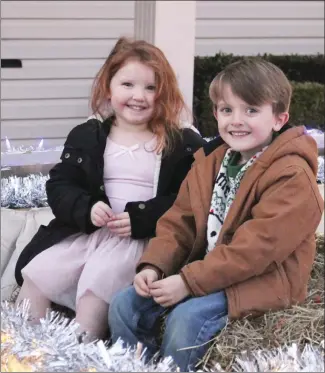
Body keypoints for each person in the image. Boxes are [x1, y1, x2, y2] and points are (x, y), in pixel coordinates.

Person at [108, 58, 324, 371]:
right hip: (209, 271)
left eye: (251, 110)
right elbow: (179, 221)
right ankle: (134, 366)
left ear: (279, 118)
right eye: (227, 110)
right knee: (124, 305)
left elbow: (255, 250)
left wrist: (188, 282)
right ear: (215, 114)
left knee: (187, 318)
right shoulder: (212, 161)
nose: (237, 120)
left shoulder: (291, 175)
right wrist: (155, 266)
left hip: (263, 279)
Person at [14, 37, 205, 341]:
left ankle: (79, 352)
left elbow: (189, 200)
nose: (138, 96)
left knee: (96, 287)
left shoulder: (179, 143)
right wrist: (87, 207)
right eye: (127, 84)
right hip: (87, 235)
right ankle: (25, 350)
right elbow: (61, 185)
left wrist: (142, 218)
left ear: (164, 92)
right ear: (109, 87)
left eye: (150, 88)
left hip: (137, 243)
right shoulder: (88, 134)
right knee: (37, 274)